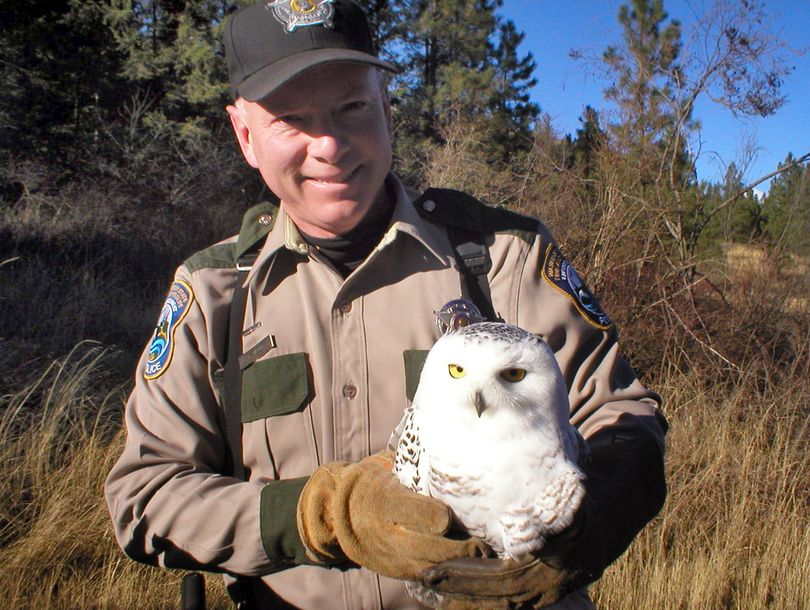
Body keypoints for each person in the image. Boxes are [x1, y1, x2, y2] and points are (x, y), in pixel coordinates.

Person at [104, 1, 668, 608]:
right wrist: (321, 517)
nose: (329, 145)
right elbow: (146, 497)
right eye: (291, 120)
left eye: (352, 108)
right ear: (245, 135)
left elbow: (623, 416)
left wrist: (584, 530)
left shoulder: (503, 258)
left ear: (386, 108)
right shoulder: (213, 295)